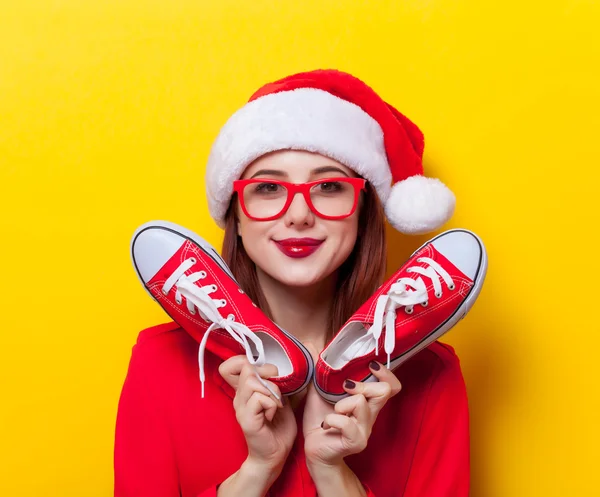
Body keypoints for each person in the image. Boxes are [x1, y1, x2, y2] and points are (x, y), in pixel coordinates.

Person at [114, 69, 471, 497]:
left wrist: (332, 472)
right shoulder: (160, 362)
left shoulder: (430, 375)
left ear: (361, 212)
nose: (299, 214)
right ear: (237, 217)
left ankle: (351, 354)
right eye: (267, 187)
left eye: (328, 186)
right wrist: (258, 470)